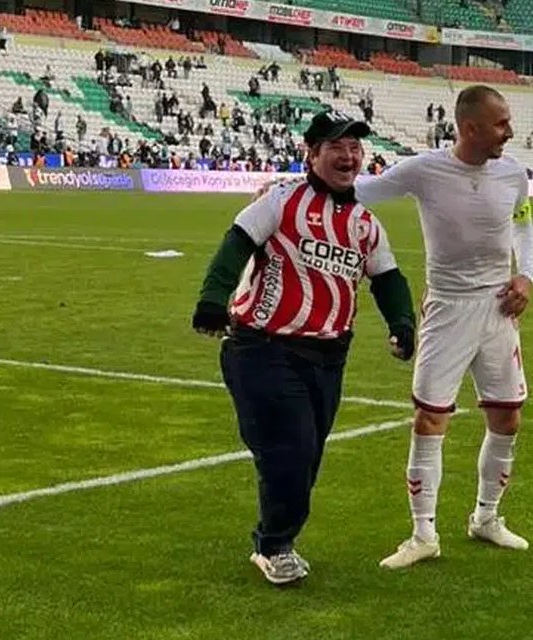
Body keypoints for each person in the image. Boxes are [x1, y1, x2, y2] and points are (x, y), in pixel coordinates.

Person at [191, 112, 417, 585]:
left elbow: (387, 278)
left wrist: (402, 322)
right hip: (264, 347)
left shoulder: (364, 223)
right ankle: (274, 546)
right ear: (312, 154)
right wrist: (213, 300)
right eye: (337, 147)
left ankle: (277, 535)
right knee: (289, 451)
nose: (349, 156)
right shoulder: (281, 200)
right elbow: (236, 243)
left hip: (329, 357)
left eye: (355, 148)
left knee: (307, 456)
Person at [349, 85, 533, 569]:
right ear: (470, 128)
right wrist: (286, 188)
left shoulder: (513, 174)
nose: (509, 132)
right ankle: (423, 534)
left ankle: (486, 517)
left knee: (507, 418)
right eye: (500, 124)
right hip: (448, 309)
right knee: (430, 420)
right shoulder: (423, 170)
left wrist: (525, 275)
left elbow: (523, 225)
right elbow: (358, 192)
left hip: (499, 310)